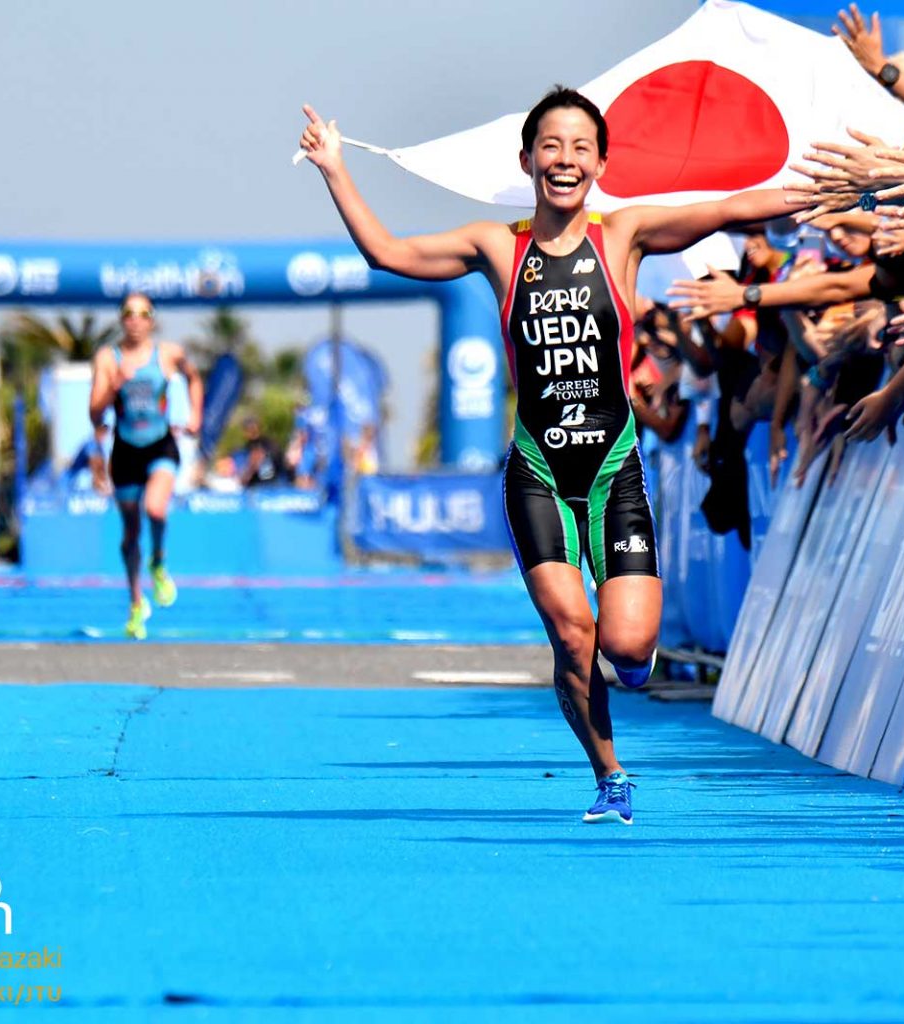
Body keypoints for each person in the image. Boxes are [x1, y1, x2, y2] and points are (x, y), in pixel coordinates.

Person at [300, 87, 801, 824]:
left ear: (600, 162)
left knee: (627, 651)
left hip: (614, 474)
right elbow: (389, 252)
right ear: (528, 159)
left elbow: (729, 209)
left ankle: (630, 664)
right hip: (537, 474)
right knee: (573, 631)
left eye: (579, 148)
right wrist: (335, 167)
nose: (564, 160)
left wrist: (837, 188)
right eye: (551, 147)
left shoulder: (623, 236)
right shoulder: (496, 247)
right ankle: (609, 772)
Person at [88, 293, 203, 640]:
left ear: (152, 320)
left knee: (156, 508)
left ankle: (159, 562)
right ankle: (137, 603)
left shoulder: (168, 354)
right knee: (130, 534)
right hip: (125, 451)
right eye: (128, 314)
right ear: (121, 320)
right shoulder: (108, 358)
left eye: (142, 314)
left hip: (160, 445)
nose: (135, 320)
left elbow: (194, 378)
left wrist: (196, 414)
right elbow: (94, 413)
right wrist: (114, 387)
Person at [237, 417, 283, 488]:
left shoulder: (266, 444)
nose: (251, 431)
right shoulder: (247, 447)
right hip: (259, 485)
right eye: (248, 429)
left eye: (252, 428)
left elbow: (257, 461)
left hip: (267, 484)